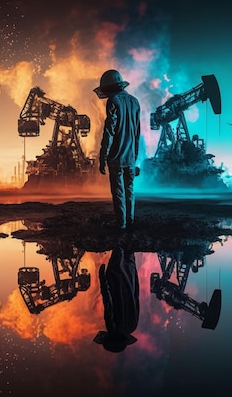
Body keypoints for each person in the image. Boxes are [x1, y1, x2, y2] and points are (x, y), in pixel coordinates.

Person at [94, 69, 141, 230]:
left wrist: (103, 157)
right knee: (130, 190)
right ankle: (131, 220)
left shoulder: (113, 101)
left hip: (116, 157)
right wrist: (135, 157)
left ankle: (121, 224)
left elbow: (109, 132)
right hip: (130, 158)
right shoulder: (135, 101)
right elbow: (137, 133)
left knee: (118, 192)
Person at [93, 248, 140, 352]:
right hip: (116, 280)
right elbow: (108, 301)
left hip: (130, 278)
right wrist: (102, 278)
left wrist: (134, 277)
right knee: (118, 245)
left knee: (129, 249)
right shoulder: (112, 327)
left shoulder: (132, 326)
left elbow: (136, 298)